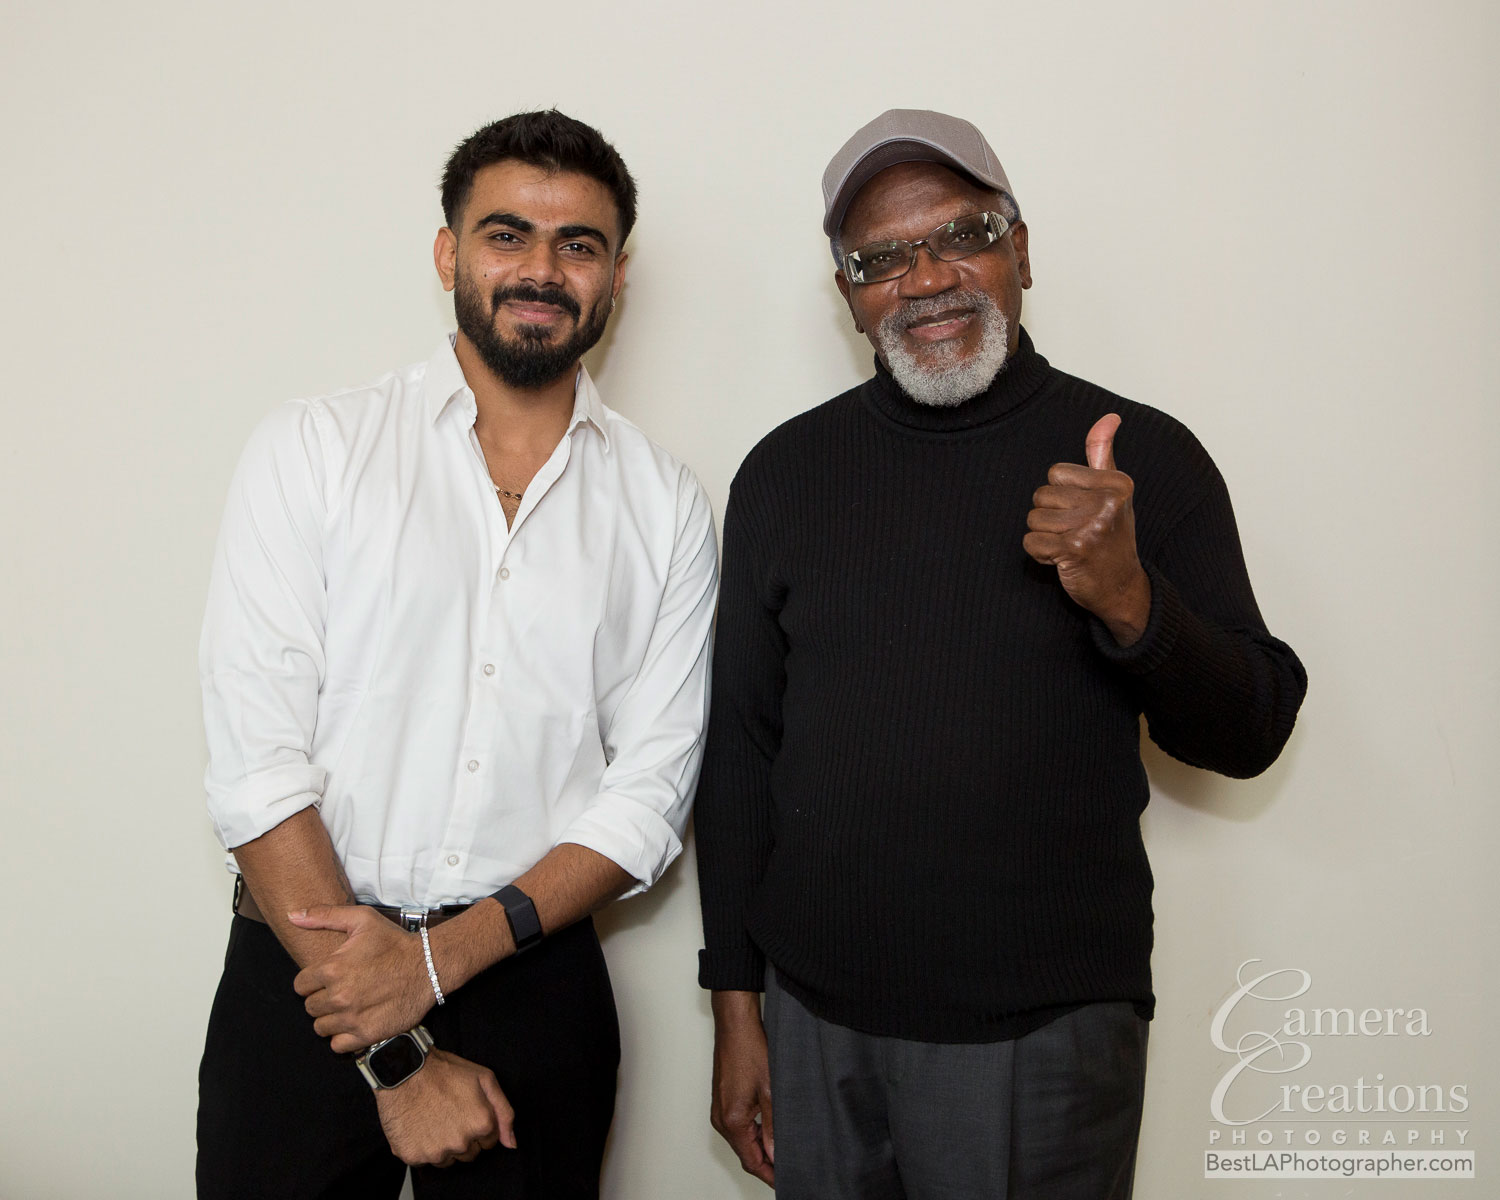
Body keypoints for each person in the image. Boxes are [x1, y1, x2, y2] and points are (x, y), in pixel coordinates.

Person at [695, 109, 1307, 1200]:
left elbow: (1253, 729)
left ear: (1020, 250)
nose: (927, 278)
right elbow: (741, 754)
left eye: (963, 235)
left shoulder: (1139, 459)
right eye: (881, 258)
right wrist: (737, 1008)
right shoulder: (784, 474)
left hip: (1043, 1036)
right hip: (815, 1023)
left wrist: (1129, 597)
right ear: (848, 294)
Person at [196, 109, 718, 1200]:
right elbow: (257, 765)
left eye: (579, 244)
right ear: (448, 254)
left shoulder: (666, 506)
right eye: (506, 234)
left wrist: (438, 962)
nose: (542, 269)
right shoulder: (315, 449)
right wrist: (395, 1049)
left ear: (617, 277)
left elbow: (649, 798)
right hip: (305, 973)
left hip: (532, 983)